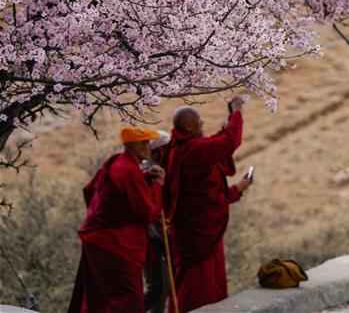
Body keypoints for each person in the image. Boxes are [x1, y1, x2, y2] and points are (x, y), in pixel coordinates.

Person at [165, 99, 251, 313]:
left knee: (202, 284)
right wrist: (237, 113)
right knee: (197, 289)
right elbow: (227, 144)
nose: (203, 124)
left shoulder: (180, 148)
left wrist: (225, 128)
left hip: (194, 230)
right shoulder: (192, 150)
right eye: (199, 121)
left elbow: (213, 146)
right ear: (188, 126)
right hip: (198, 233)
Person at [68, 126, 165, 313]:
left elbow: (90, 190)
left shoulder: (117, 161)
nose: (149, 146)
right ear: (136, 145)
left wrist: (145, 178)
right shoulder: (128, 171)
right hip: (114, 245)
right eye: (146, 142)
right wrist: (157, 185)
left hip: (97, 240)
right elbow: (148, 213)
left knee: (98, 300)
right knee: (129, 299)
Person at [144, 131, 171, 313]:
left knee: (162, 287)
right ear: (160, 151)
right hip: (150, 239)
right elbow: (151, 211)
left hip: (153, 238)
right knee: (158, 288)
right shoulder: (151, 172)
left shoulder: (153, 168)